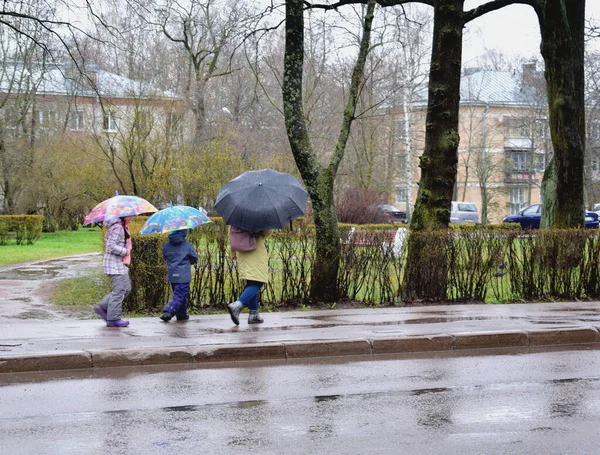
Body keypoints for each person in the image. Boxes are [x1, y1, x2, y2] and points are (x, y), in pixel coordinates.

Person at [94, 216, 132, 327]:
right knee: (119, 291)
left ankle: (103, 307)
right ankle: (113, 319)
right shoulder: (118, 227)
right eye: (130, 216)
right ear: (124, 216)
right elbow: (110, 247)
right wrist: (125, 251)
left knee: (126, 288)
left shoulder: (120, 226)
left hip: (118, 264)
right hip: (113, 264)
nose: (132, 218)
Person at [227, 229, 270, 325]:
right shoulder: (260, 215)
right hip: (256, 251)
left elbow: (231, 233)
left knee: (251, 282)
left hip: (241, 251)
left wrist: (233, 252)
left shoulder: (237, 215)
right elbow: (267, 232)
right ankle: (238, 305)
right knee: (258, 281)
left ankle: (253, 313)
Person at [160, 229, 198, 322]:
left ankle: (182, 315)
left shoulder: (167, 246)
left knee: (180, 295)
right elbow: (194, 258)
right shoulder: (188, 246)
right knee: (180, 295)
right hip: (183, 275)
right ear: (185, 233)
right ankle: (168, 311)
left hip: (172, 275)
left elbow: (165, 256)